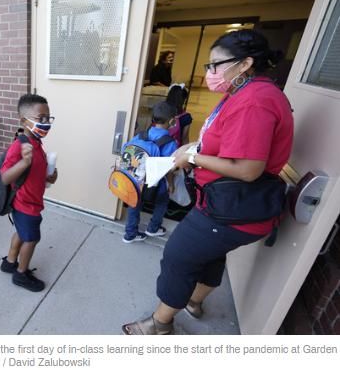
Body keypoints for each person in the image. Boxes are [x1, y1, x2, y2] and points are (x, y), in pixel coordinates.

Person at [123, 29, 293, 335]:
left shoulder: (254, 101)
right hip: (229, 204)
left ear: (244, 64)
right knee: (210, 254)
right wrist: (193, 150)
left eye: (215, 65)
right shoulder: (246, 92)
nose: (210, 73)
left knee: (178, 256)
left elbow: (248, 169)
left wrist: (193, 158)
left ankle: (159, 324)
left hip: (230, 208)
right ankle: (194, 303)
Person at [0, 94, 58, 292]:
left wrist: (48, 177)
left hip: (29, 202)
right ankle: (21, 274)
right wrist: (24, 162)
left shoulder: (36, 143)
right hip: (26, 205)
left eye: (48, 118)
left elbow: (34, 172)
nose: (46, 123)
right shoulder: (19, 146)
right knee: (31, 239)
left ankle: (9, 262)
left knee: (22, 233)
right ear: (24, 120)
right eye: (41, 118)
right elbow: (5, 177)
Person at [123, 101, 178, 244]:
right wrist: (170, 184)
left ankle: (130, 233)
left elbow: (126, 149)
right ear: (172, 121)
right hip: (155, 183)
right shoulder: (170, 143)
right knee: (162, 202)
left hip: (136, 179)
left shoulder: (141, 134)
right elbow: (169, 168)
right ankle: (153, 228)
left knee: (134, 203)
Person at [166, 83, 193, 147]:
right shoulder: (186, 117)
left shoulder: (160, 111)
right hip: (174, 150)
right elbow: (185, 138)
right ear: (183, 100)